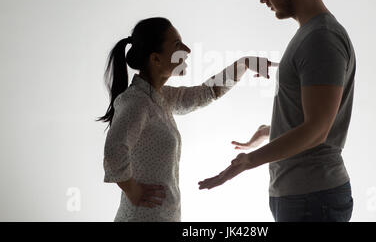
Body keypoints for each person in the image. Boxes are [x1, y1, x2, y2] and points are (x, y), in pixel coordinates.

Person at [198, 0, 357, 222]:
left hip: (313, 200)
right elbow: (311, 119)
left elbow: (318, 130)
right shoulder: (310, 35)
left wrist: (250, 161)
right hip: (304, 197)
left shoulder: (321, 38)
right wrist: (270, 130)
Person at [97, 17, 277, 221]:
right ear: (156, 59)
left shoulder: (160, 97)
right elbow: (113, 151)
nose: (188, 50)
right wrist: (133, 191)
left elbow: (208, 92)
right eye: (177, 45)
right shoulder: (136, 102)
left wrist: (245, 63)